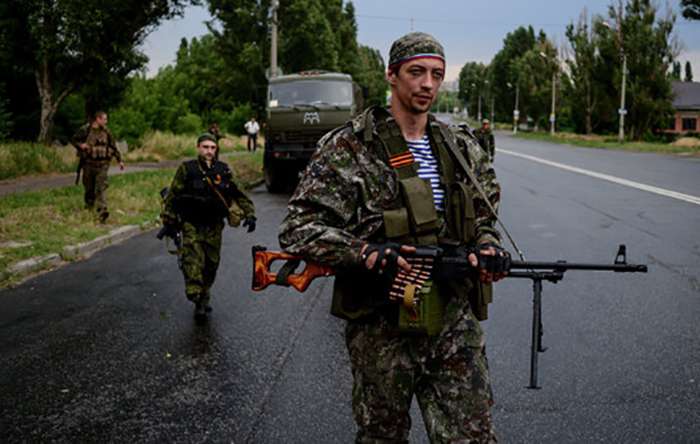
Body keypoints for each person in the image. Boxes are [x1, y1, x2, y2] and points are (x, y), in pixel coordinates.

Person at [279, 32, 506, 442]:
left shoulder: (460, 147)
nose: (428, 84)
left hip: (453, 319)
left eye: (437, 74)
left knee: (472, 436)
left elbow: (484, 214)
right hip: (381, 325)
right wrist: (363, 252)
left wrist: (489, 248)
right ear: (392, 75)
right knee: (382, 436)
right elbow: (298, 228)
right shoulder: (348, 147)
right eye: (416, 72)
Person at [160, 133, 256, 321]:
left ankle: (203, 298)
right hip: (191, 224)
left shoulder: (223, 170)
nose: (209, 151)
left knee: (211, 264)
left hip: (214, 226)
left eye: (212, 148)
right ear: (198, 148)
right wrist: (168, 221)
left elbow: (239, 193)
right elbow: (173, 195)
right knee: (193, 260)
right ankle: (195, 294)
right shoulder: (187, 169)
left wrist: (250, 214)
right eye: (205, 147)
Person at [71, 110, 125, 223]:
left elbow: (113, 146)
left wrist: (120, 160)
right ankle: (89, 207)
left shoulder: (107, 132)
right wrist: (81, 145)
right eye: (104, 119)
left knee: (100, 187)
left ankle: (102, 211)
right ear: (98, 119)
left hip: (103, 165)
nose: (106, 121)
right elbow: (74, 139)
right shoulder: (86, 129)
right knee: (89, 189)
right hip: (88, 164)